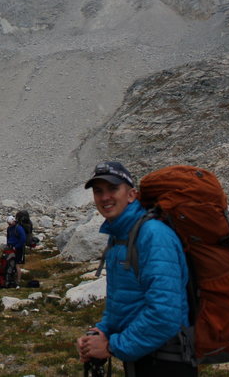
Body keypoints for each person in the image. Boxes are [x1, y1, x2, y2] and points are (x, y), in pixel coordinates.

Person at [75, 161, 197, 377]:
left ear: (131, 194)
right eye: (98, 191)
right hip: (144, 356)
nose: (104, 198)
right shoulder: (119, 235)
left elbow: (165, 314)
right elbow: (123, 302)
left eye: (113, 189)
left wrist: (111, 346)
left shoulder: (153, 235)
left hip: (168, 361)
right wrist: (100, 332)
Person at [5, 214, 26, 286]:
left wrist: (16, 246)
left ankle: (18, 281)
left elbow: (23, 239)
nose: (9, 225)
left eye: (10, 223)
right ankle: (11, 278)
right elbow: (8, 237)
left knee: (17, 264)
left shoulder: (19, 228)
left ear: (13, 222)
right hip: (10, 248)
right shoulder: (9, 228)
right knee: (10, 263)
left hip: (18, 249)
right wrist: (8, 244)